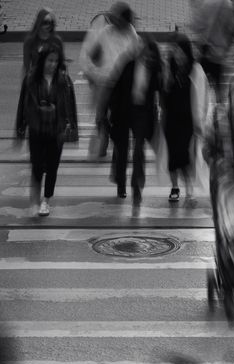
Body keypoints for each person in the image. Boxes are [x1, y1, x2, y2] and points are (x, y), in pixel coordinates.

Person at [15, 43, 74, 217]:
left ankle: (46, 200)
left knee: (53, 166)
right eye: (50, 60)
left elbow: (70, 106)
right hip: (37, 128)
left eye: (56, 61)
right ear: (43, 61)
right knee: (37, 164)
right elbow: (23, 105)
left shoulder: (63, 80)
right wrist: (21, 127)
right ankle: (34, 198)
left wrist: (70, 126)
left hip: (56, 130)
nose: (53, 64)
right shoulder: (32, 78)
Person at [79, 2, 140, 161]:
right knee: (101, 115)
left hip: (123, 85)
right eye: (115, 18)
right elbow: (92, 54)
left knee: (120, 117)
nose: (116, 21)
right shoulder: (106, 32)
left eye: (120, 19)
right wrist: (93, 72)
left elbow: (136, 57)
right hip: (106, 82)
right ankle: (103, 140)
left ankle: (117, 140)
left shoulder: (131, 33)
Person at [108, 34, 161, 208]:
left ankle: (136, 186)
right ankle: (121, 183)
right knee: (122, 148)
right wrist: (110, 111)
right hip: (124, 111)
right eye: (142, 49)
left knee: (138, 148)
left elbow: (160, 90)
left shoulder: (154, 68)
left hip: (142, 113)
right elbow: (115, 88)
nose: (144, 54)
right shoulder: (128, 63)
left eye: (148, 51)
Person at [160, 32, 197, 205]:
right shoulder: (168, 70)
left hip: (188, 120)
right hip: (171, 119)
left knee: (186, 154)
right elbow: (163, 99)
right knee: (173, 156)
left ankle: (190, 188)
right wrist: (166, 75)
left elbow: (201, 97)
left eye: (181, 51)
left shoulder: (195, 71)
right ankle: (175, 187)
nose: (178, 55)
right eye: (175, 51)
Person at [191, 0, 234, 103]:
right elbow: (232, 28)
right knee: (219, 86)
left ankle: (200, 107)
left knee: (200, 84)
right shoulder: (228, 4)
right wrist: (227, 45)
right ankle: (218, 111)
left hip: (203, 50)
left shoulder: (204, 3)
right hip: (219, 52)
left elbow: (195, 26)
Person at [23, 8, 64, 75]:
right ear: (39, 22)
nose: (49, 25)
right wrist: (25, 82)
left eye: (51, 23)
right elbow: (26, 66)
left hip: (53, 79)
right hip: (36, 78)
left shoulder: (57, 40)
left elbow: (61, 64)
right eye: (45, 22)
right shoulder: (30, 41)